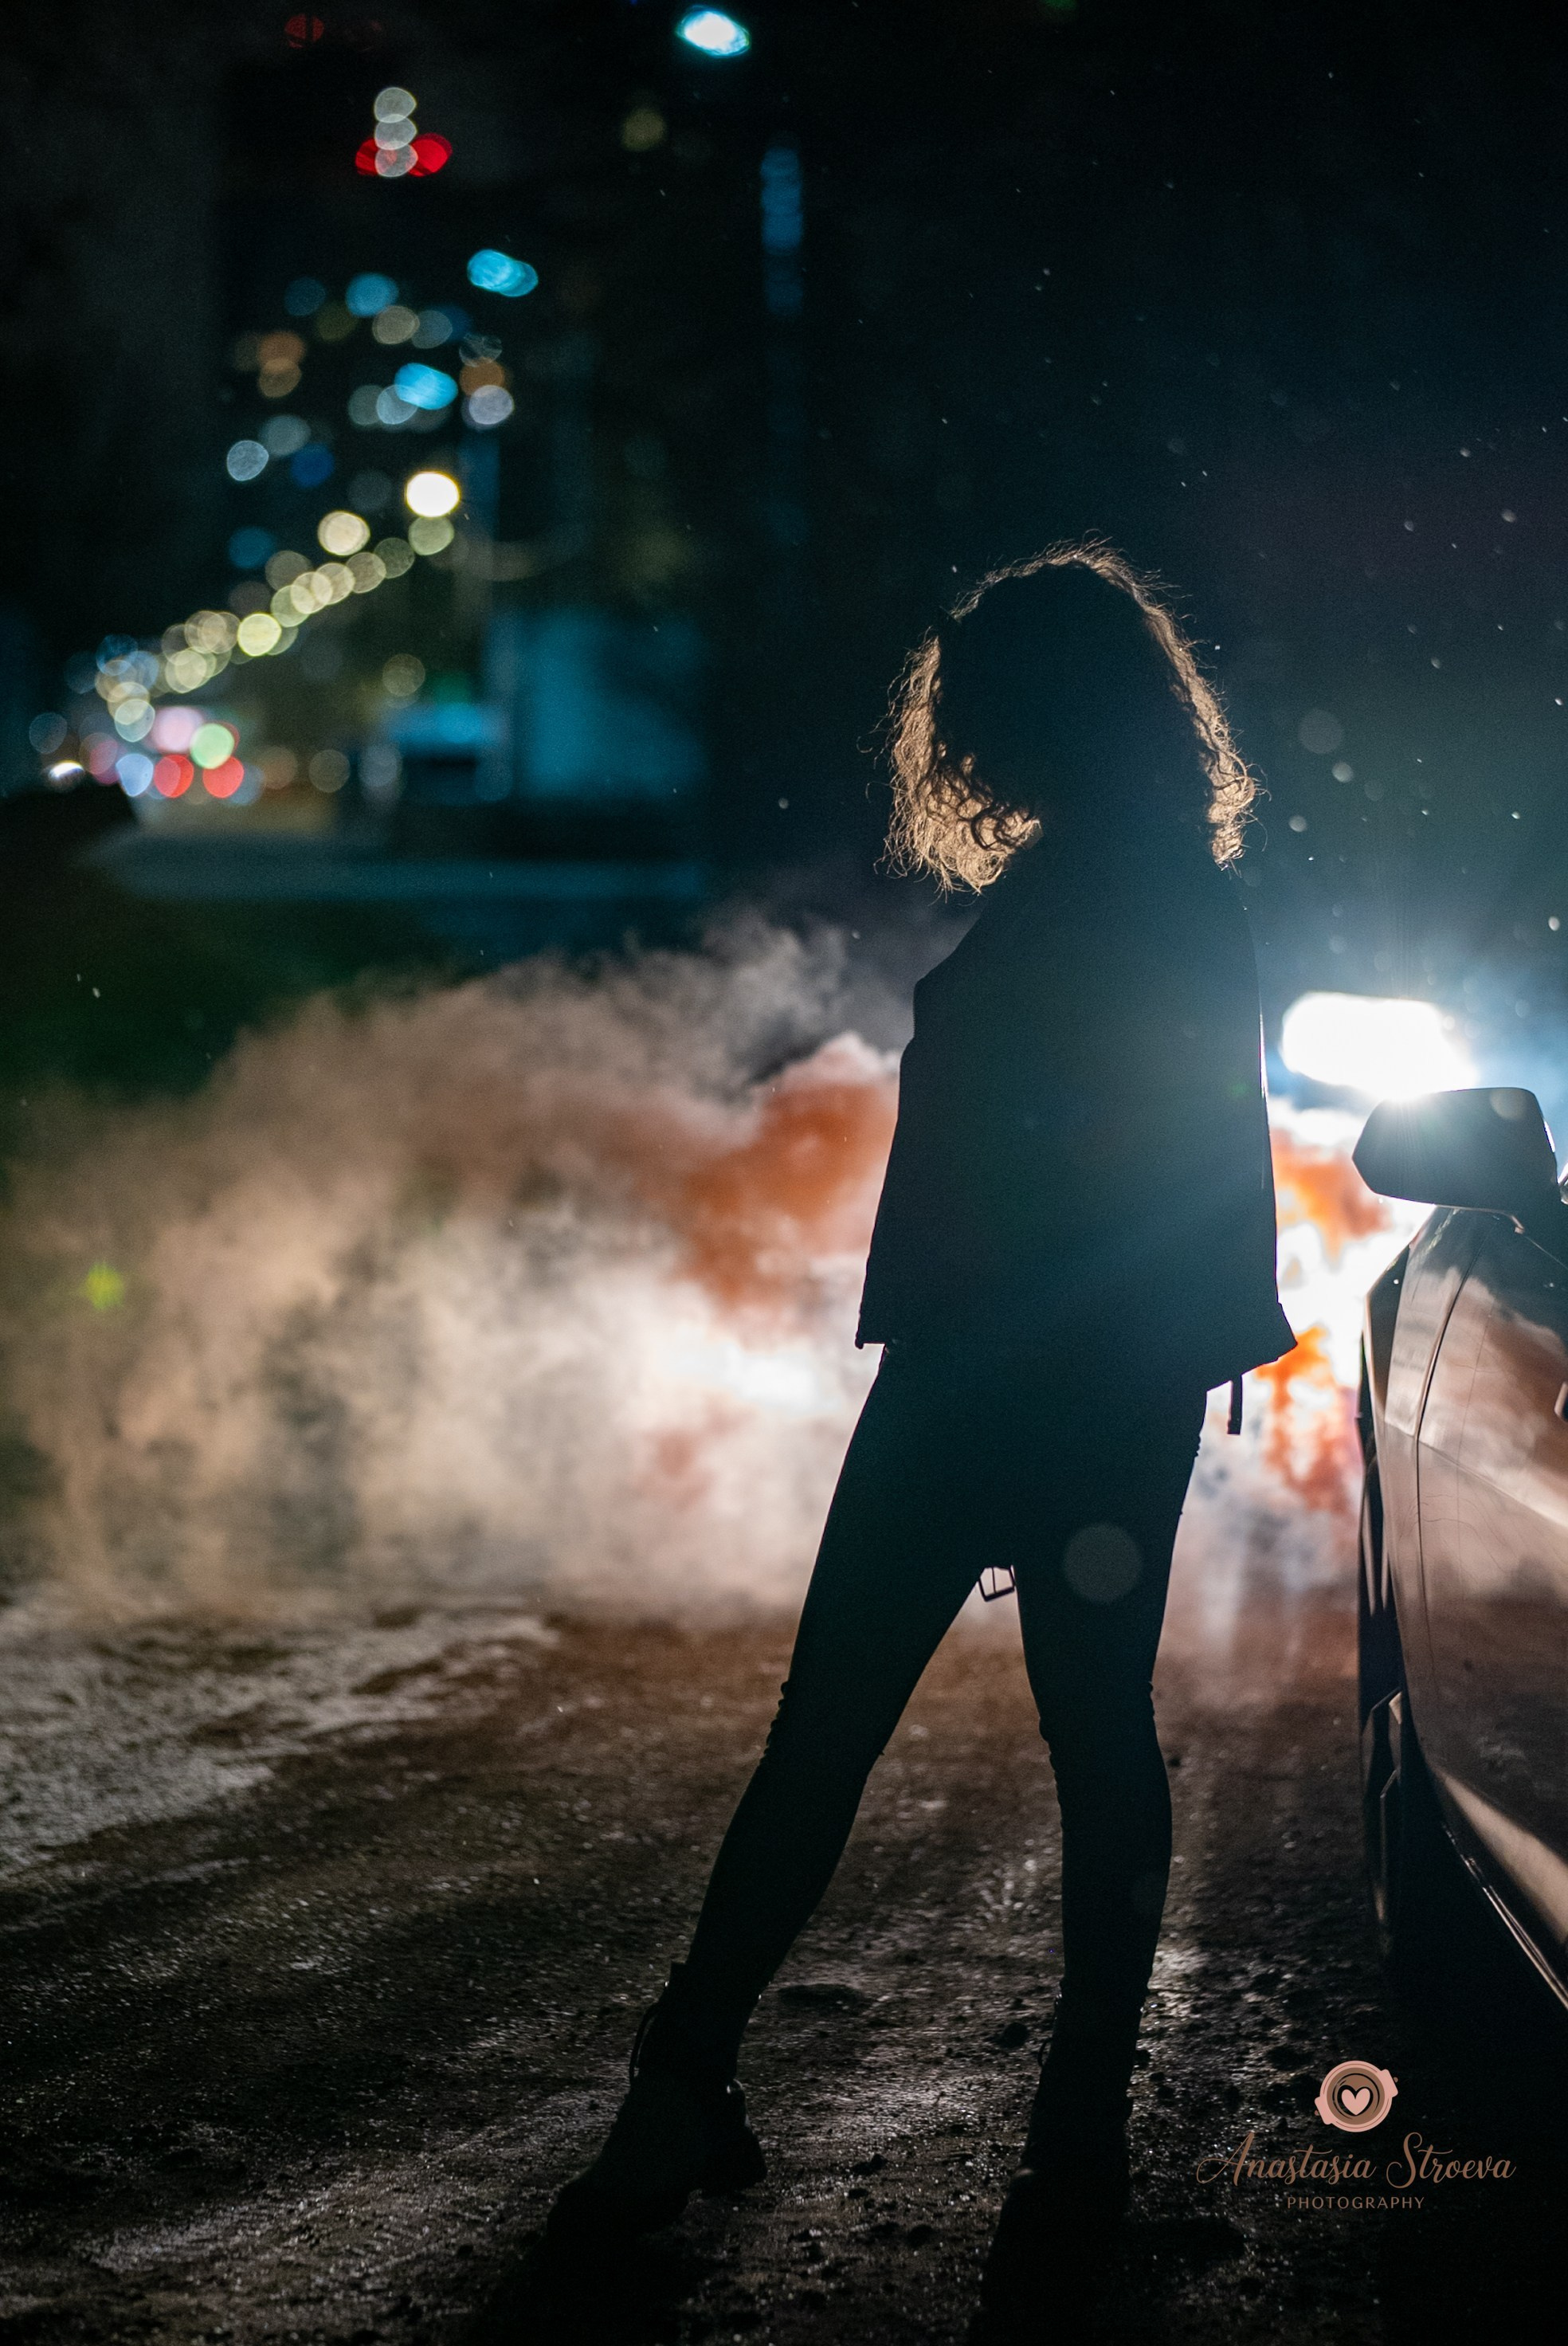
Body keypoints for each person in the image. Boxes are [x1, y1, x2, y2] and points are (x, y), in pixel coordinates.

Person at [546, 543, 1295, 2315]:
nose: (958, 746)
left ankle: (689, 2088)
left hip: (990, 1379)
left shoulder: (1102, 895)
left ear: (1051, 713)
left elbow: (1110, 1154)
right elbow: (1189, 1162)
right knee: (1089, 1739)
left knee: (838, 1736)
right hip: (1084, 1388)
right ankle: (1069, 2131)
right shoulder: (1154, 887)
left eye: (980, 711)